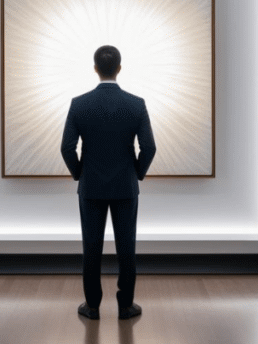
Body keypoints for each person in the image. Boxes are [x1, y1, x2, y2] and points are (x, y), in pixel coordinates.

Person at [61, 45, 156, 321]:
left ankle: (92, 306)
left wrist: (80, 173)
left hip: (91, 186)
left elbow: (67, 147)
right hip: (125, 186)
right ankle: (126, 306)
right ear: (120, 67)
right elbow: (149, 147)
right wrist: (136, 172)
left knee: (91, 247)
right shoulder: (136, 104)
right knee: (127, 247)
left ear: (95, 68)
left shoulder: (79, 104)